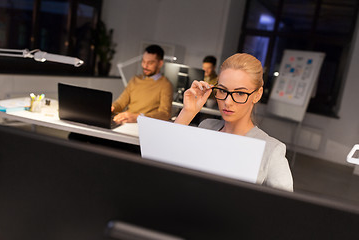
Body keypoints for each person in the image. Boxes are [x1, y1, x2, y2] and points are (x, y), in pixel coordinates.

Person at [175, 53, 293, 192]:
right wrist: (188, 112)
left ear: (257, 94)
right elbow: (165, 161)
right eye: (223, 91)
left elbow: (285, 209)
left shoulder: (271, 150)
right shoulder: (206, 127)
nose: (227, 102)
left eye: (240, 93)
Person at [112, 44, 173, 124]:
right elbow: (121, 103)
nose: (145, 66)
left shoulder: (165, 84)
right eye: (143, 61)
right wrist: (112, 107)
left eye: (150, 63)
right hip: (126, 122)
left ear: (160, 64)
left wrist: (139, 117)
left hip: (144, 125)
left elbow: (164, 114)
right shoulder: (135, 80)